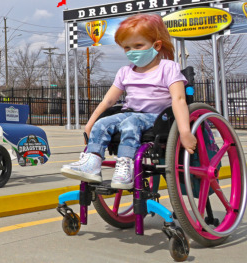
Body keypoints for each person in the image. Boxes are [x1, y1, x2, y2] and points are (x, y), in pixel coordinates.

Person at [60, 14, 197, 189]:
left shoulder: (168, 68)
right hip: (130, 113)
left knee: (131, 121)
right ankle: (92, 163)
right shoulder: (125, 72)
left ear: (156, 45)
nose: (132, 51)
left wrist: (185, 131)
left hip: (159, 117)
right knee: (104, 122)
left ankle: (126, 164)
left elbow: (178, 99)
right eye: (127, 47)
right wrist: (91, 123)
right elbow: (108, 100)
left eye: (138, 45)